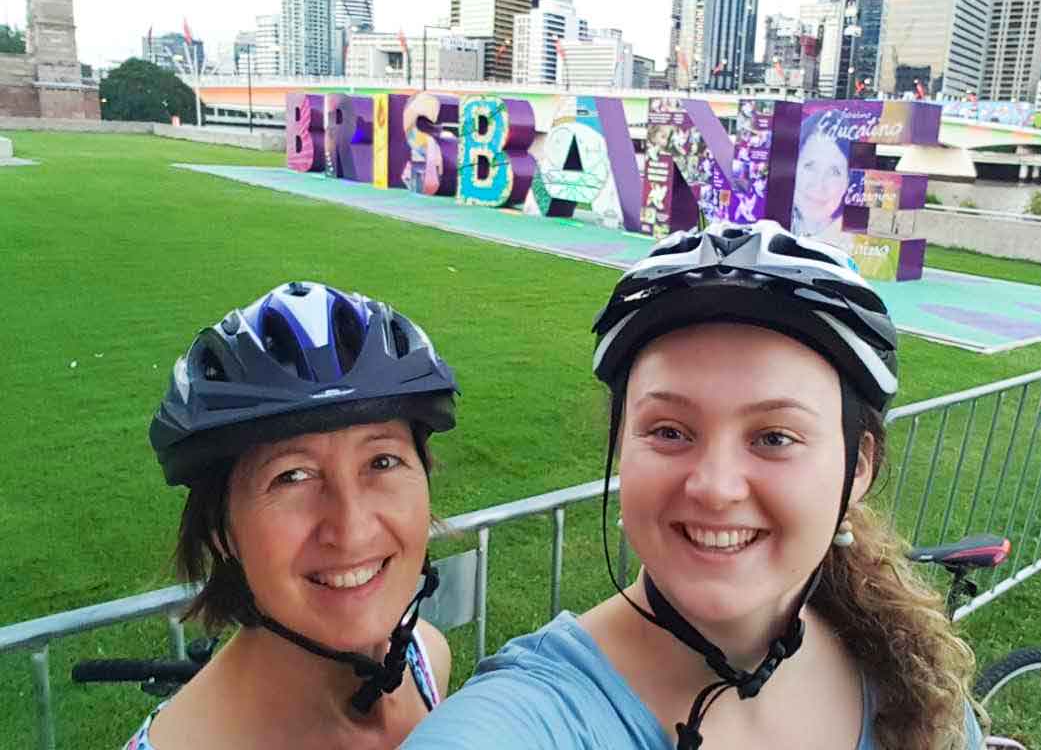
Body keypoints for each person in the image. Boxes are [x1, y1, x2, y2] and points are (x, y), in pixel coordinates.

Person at [403, 221, 982, 749]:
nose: (715, 487)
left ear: (857, 467)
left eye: (774, 437)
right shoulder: (532, 718)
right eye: (671, 430)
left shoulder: (907, 676)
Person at [125, 281, 459, 749]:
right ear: (222, 529)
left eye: (382, 462)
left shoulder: (426, 658)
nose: (352, 529)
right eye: (292, 477)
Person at [791, 110, 852, 242]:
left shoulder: (861, 250)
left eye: (834, 172)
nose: (819, 185)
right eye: (810, 166)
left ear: (847, 182)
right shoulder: (766, 228)